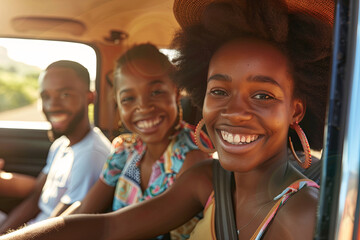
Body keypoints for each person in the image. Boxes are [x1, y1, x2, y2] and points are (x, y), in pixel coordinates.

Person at [0, 0, 333, 239]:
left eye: (263, 95)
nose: (234, 111)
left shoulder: (307, 216)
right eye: (219, 91)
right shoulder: (208, 180)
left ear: (296, 110)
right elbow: (107, 226)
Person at [62, 43, 212, 239]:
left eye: (156, 92)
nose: (143, 107)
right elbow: (86, 210)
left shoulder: (192, 157)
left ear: (176, 93)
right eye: (128, 99)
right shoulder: (125, 150)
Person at [0, 60, 111, 234]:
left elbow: (60, 227)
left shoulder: (91, 155)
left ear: (90, 97)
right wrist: (3, 231)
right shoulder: (61, 144)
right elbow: (35, 198)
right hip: (31, 229)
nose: (52, 105)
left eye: (65, 94)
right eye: (46, 96)